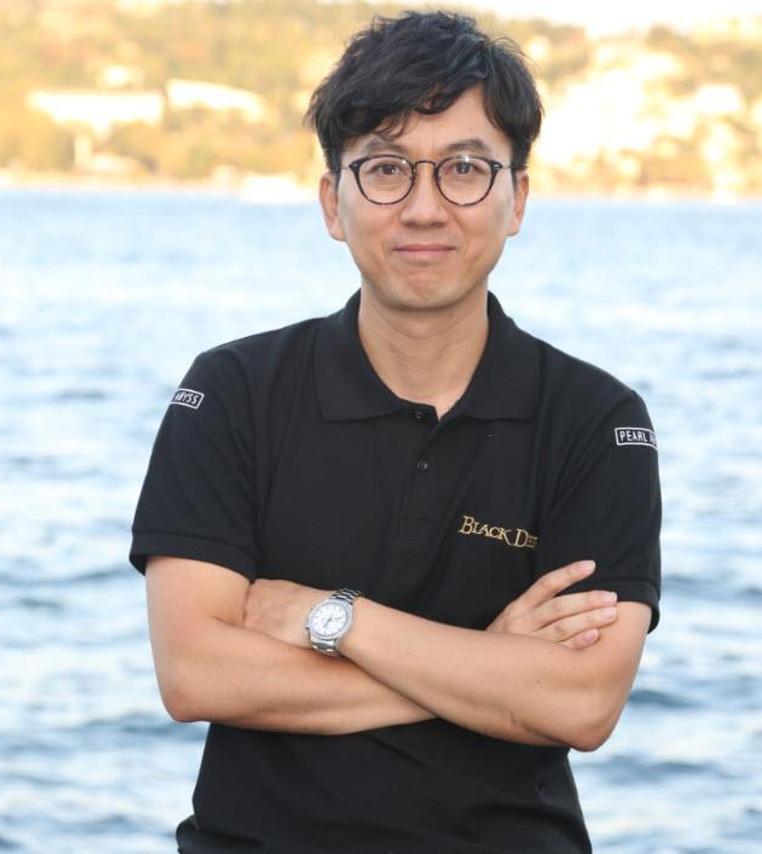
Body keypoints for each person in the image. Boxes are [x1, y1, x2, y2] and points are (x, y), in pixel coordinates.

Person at [129, 10, 661, 853]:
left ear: (518, 200)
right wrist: (490, 670)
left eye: (465, 170)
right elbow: (196, 674)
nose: (423, 208)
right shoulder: (232, 392)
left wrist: (332, 619)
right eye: (384, 169)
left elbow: (583, 703)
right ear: (332, 203)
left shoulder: (597, 421)